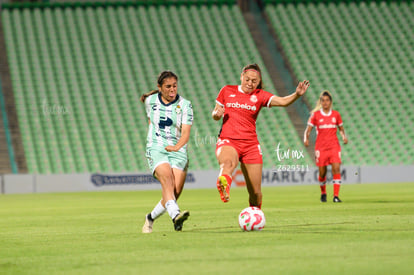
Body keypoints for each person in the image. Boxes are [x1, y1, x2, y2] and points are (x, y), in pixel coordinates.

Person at [211, 63, 310, 208]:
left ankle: (255, 214)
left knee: (256, 193)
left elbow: (282, 102)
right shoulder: (227, 90)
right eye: (247, 79)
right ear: (241, 76)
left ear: (258, 82)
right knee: (228, 164)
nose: (250, 83)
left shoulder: (260, 95)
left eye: (254, 81)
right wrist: (216, 114)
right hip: (229, 140)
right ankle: (224, 186)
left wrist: (297, 95)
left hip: (251, 146)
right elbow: (215, 113)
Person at [140, 71, 193, 233]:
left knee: (172, 194)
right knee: (167, 182)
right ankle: (176, 216)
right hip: (157, 148)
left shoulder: (185, 105)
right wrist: (154, 141)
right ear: (160, 88)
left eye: (175, 86)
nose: (172, 90)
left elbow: (185, 134)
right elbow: (151, 122)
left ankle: (150, 218)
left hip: (178, 150)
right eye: (168, 87)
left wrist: (176, 147)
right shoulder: (150, 101)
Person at [304, 90, 348, 202]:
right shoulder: (316, 115)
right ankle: (323, 192)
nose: (325, 103)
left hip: (334, 146)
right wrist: (306, 138)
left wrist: (344, 137)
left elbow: (341, 128)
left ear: (330, 102)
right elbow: (308, 130)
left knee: (336, 168)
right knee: (322, 172)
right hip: (321, 147)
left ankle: (336, 196)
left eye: (327, 100)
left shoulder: (336, 115)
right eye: (323, 100)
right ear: (320, 102)